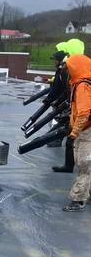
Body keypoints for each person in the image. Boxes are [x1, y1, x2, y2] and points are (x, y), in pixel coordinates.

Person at [51, 38, 85, 172]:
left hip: (82, 112)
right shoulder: (73, 72)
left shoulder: (79, 77)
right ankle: (69, 166)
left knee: (74, 139)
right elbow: (69, 91)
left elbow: (72, 93)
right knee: (71, 140)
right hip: (76, 109)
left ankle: (74, 167)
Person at [63, 54, 91, 212]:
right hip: (86, 129)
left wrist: (73, 134)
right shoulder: (85, 83)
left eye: (68, 68)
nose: (67, 71)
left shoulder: (82, 86)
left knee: (84, 165)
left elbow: (84, 113)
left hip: (86, 131)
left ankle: (78, 199)